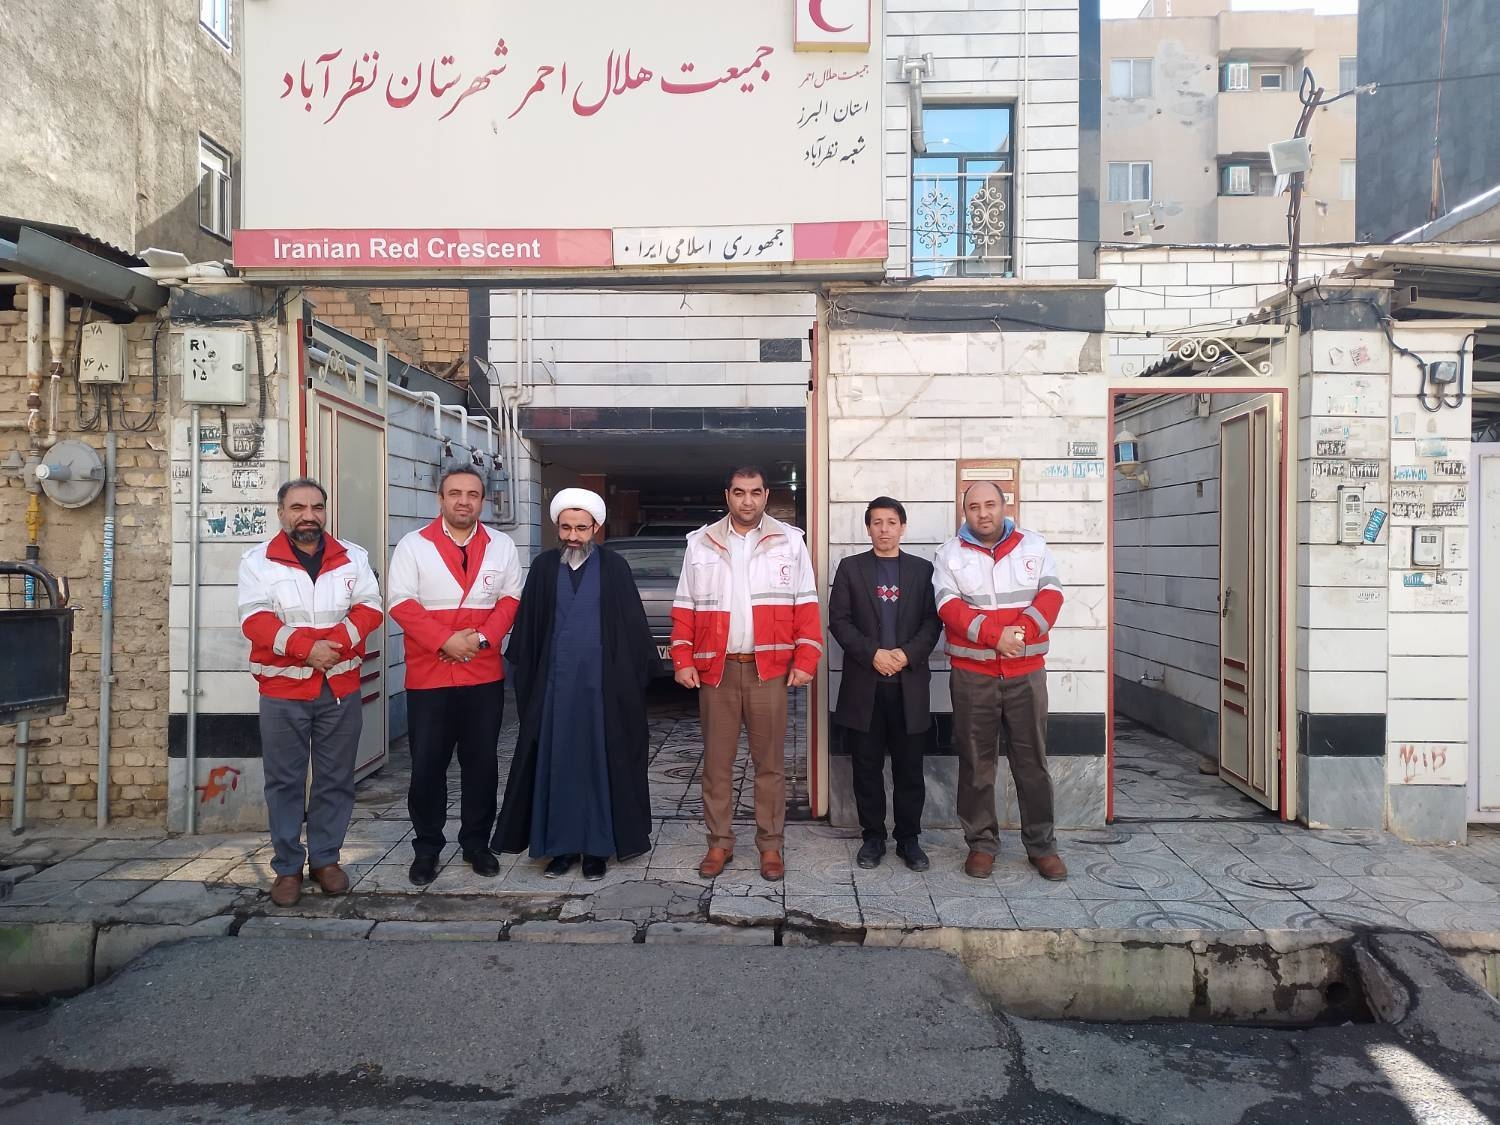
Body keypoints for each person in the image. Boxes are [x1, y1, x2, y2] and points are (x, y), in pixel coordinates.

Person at [492, 488, 656, 880]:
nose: (573, 536)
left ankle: (597, 849)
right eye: (566, 527)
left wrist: (629, 683)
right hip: (554, 692)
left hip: (603, 693)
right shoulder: (544, 567)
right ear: (557, 527)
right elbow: (530, 632)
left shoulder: (615, 568)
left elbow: (632, 630)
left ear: (596, 527)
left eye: (581, 528)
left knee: (599, 766)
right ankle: (560, 849)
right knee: (556, 766)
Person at [671, 467, 823, 882]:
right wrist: (682, 657)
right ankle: (718, 843)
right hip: (717, 671)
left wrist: (806, 659)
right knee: (717, 765)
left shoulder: (790, 541)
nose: (748, 500)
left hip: (767, 671)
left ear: (766, 495)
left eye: (755, 492)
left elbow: (806, 604)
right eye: (739, 492)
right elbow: (685, 605)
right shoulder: (701, 543)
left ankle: (770, 846)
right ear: (728, 495)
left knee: (770, 765)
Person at [237, 478, 383, 908]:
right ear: (281, 513)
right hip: (283, 689)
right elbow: (255, 620)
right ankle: (287, 867)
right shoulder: (258, 561)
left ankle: (325, 859)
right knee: (285, 781)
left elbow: (370, 609)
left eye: (316, 507)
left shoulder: (353, 557)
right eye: (298, 507)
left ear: (325, 511)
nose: (308, 516)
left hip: (338, 685)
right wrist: (306, 649)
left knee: (335, 779)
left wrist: (330, 646)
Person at [388, 466, 522, 886]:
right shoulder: (414, 545)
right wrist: (445, 640)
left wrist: (479, 640)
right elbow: (401, 603)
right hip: (430, 675)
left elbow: (510, 599)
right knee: (428, 766)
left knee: (481, 765)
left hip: (482, 673)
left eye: (472, 494)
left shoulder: (501, 545)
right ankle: (427, 848)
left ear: (483, 500)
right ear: (441, 499)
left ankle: (476, 844)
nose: (464, 501)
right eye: (455, 493)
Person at [932, 480, 1068, 881]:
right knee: (976, 763)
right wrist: (995, 637)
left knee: (1033, 764)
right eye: (974, 506)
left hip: (1026, 674)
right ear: (965, 512)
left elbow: (1052, 595)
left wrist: (1019, 633)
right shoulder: (949, 554)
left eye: (990, 504)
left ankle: (1042, 846)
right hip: (973, 677)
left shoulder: (1034, 547)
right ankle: (981, 844)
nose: (983, 513)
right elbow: (948, 606)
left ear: (1004, 506)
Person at [828, 497, 942, 872]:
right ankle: (873, 837)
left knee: (910, 769)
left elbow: (933, 622)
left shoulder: (923, 570)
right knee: (866, 767)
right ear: (868, 528)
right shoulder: (851, 568)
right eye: (876, 522)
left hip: (909, 687)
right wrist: (873, 653)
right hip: (865, 687)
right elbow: (839, 620)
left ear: (902, 527)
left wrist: (906, 655)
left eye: (891, 522)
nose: (884, 529)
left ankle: (909, 839)